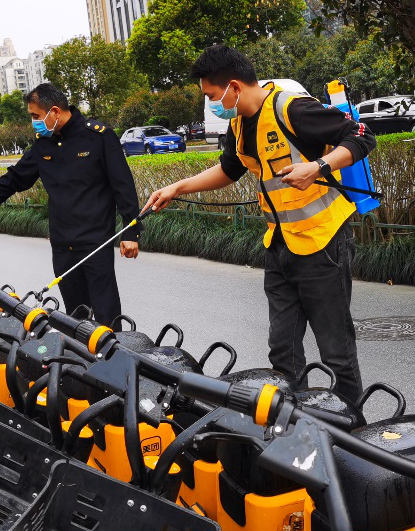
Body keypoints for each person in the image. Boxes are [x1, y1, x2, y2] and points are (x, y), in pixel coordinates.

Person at [146, 45, 376, 403]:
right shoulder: (238, 124)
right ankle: (294, 422)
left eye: (211, 95)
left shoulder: (291, 109)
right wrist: (177, 187)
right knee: (283, 351)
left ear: (234, 87)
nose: (211, 104)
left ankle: (351, 425)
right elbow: (229, 169)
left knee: (336, 352)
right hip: (280, 246)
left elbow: (361, 134)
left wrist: (318, 167)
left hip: (323, 243)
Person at [0, 83, 141, 323]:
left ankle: (115, 347)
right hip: (62, 245)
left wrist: (131, 232)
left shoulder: (98, 136)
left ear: (55, 111)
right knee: (75, 318)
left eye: (36, 116)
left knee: (106, 314)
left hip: (96, 243)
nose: (33, 122)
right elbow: (15, 178)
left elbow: (123, 186)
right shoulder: (43, 143)